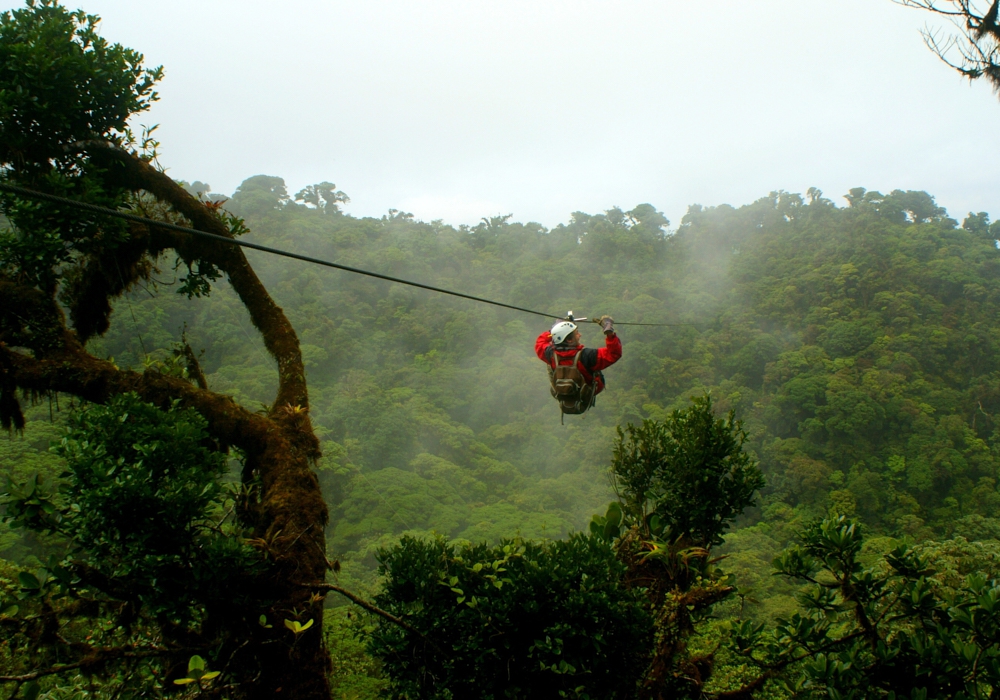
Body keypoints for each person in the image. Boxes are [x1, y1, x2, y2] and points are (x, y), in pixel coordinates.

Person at [535, 315, 621, 416]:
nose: (580, 335)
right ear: (570, 340)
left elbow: (540, 342)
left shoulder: (550, 354)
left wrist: (554, 329)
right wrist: (609, 332)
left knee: (550, 365)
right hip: (587, 391)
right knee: (593, 368)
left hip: (563, 392)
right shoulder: (587, 356)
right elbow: (613, 354)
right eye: (576, 334)